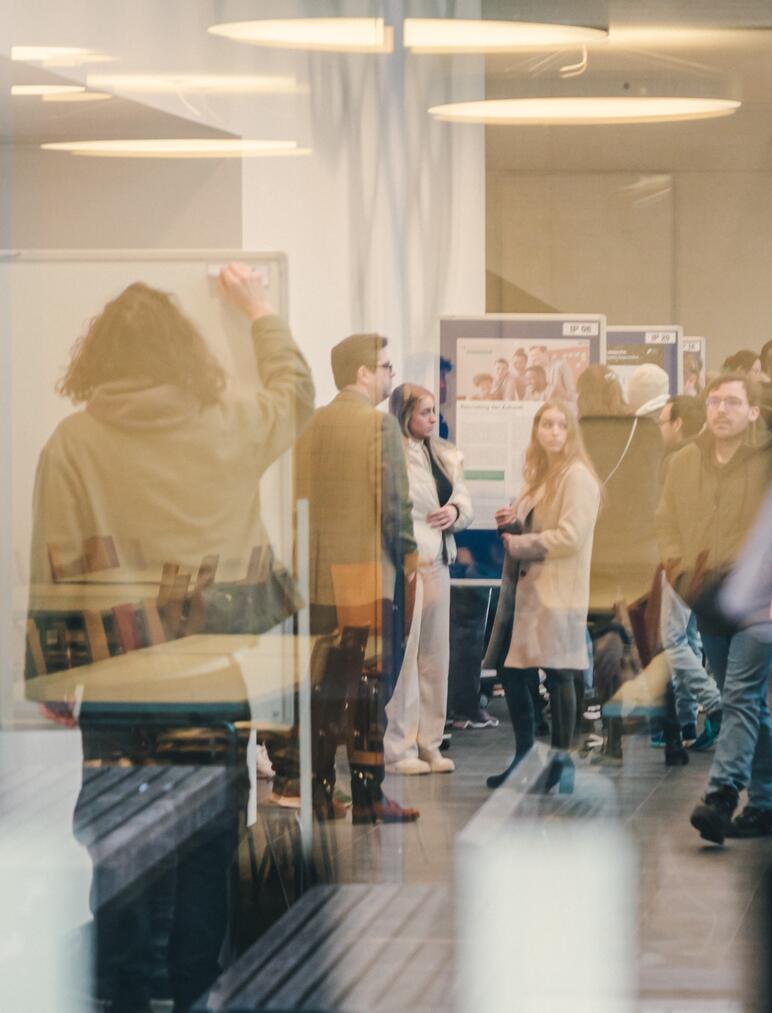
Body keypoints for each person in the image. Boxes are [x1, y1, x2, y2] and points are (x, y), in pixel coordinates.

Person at [29, 264, 314, 1011]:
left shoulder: (73, 443)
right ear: (185, 353)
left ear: (99, 359)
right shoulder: (229, 423)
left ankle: (124, 996)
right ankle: (197, 994)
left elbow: (56, 565)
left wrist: (55, 681)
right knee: (208, 850)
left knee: (120, 852)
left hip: (119, 690)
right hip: (209, 681)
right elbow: (296, 393)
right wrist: (259, 310)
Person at [658, 374, 772, 844]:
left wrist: (770, 569)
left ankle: (722, 793)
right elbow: (665, 521)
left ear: (754, 410)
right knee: (747, 702)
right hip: (707, 597)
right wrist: (680, 570)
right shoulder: (685, 461)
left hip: (763, 600)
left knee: (739, 693)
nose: (721, 410)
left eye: (733, 402)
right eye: (714, 401)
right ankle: (766, 805)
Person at [282, 332, 420, 824]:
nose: (390, 375)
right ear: (363, 373)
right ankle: (368, 795)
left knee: (322, 688)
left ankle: (320, 791)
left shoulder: (309, 424)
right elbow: (394, 505)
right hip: (363, 577)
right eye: (385, 367)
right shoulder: (379, 426)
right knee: (368, 688)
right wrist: (410, 559)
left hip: (314, 577)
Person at [483, 401, 601, 791]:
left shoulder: (577, 476)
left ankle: (561, 765)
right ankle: (526, 758)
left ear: (571, 432)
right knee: (512, 670)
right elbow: (537, 525)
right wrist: (513, 524)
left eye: (560, 425)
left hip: (556, 591)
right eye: (546, 424)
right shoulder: (541, 474)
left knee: (559, 672)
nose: (553, 431)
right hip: (528, 592)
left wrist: (519, 542)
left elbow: (570, 537)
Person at [575, 365, 666, 765]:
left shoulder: (580, 433)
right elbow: (657, 488)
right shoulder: (644, 432)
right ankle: (669, 732)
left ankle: (610, 736)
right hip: (642, 547)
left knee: (602, 639)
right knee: (649, 640)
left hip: (597, 547)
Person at [383, 383, 474, 775]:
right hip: (405, 564)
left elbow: (464, 500)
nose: (433, 419)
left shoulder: (443, 454)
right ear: (405, 414)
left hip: (438, 559)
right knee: (405, 658)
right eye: (424, 412)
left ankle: (430, 743)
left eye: (434, 411)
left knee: (436, 657)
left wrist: (454, 512)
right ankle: (399, 746)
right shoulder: (390, 454)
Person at [654, 395, 723, 754]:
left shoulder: (680, 460)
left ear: (678, 424)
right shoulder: (710, 456)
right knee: (688, 638)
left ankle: (714, 703)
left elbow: (670, 516)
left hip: (682, 563)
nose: (660, 429)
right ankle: (685, 722)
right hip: (705, 563)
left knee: (669, 640)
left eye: (663, 422)